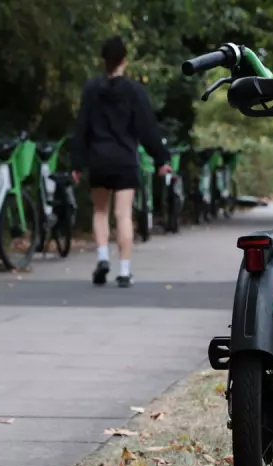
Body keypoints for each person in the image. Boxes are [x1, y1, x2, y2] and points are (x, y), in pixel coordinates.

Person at [71, 36, 172, 288]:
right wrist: (161, 159)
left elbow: (81, 127)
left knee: (100, 211)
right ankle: (125, 272)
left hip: (99, 159)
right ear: (124, 61)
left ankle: (103, 258)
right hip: (125, 160)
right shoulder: (134, 91)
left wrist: (76, 163)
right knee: (123, 215)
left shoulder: (91, 90)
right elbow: (147, 129)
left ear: (103, 61)